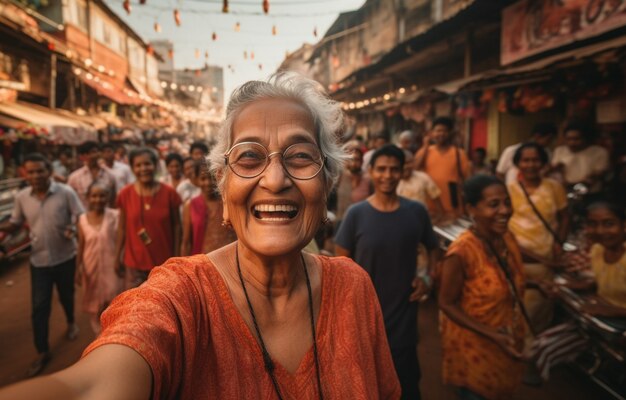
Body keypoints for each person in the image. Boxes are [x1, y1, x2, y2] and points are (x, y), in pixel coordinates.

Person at [0, 73, 401, 399]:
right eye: (249, 157)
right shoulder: (180, 298)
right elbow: (92, 385)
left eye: (300, 156)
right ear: (224, 191)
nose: (276, 179)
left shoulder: (354, 287)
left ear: (327, 182)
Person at [335, 144, 440, 399]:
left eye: (394, 169)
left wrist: (427, 277)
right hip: (364, 318)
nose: (388, 175)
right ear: (371, 171)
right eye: (381, 169)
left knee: (406, 385)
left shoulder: (416, 212)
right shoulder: (356, 214)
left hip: (404, 318)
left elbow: (434, 249)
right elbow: (341, 265)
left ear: (402, 171)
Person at [438, 175, 526, 399]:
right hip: (474, 351)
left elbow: (502, 277)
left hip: (506, 343)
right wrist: (492, 335)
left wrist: (537, 283)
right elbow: (446, 303)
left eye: (507, 202)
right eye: (494, 204)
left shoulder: (506, 238)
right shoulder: (461, 252)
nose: (505, 210)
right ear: (471, 209)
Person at [0, 153, 84, 377]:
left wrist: (74, 229)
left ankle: (71, 321)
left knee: (67, 295)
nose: (36, 176)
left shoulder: (65, 192)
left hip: (66, 256)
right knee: (39, 307)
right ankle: (42, 350)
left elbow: (79, 215)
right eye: (31, 172)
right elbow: (16, 223)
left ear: (49, 172)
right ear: (25, 175)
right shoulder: (22, 197)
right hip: (39, 261)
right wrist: (5, 228)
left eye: (40, 171)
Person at [507, 143, 569, 333]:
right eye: (526, 160)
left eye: (536, 160)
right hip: (516, 260)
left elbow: (565, 216)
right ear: (518, 163)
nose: (531, 165)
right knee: (514, 312)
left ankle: (535, 354)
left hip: (545, 263)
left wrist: (559, 243)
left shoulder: (554, 187)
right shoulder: (509, 190)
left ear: (543, 163)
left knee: (538, 315)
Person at [115, 147, 182, 289]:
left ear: (155, 165)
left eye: (147, 164)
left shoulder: (170, 194)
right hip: (134, 264)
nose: (143, 168)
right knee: (135, 305)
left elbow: (177, 227)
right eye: (138, 165)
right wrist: (117, 257)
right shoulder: (125, 194)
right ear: (132, 169)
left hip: (163, 263)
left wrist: (176, 257)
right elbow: (121, 227)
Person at [559, 203, 626, 317]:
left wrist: (613, 310)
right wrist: (590, 285)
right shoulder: (597, 250)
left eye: (609, 224)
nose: (600, 231)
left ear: (624, 225)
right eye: (592, 224)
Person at [76, 182, 122, 334]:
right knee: (95, 305)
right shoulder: (82, 219)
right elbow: (81, 246)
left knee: (115, 301)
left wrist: (119, 259)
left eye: (102, 195)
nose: (98, 199)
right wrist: (78, 268)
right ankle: (100, 337)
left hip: (112, 267)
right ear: (88, 198)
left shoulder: (115, 216)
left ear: (107, 197)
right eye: (94, 196)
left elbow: (122, 239)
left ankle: (115, 334)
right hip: (91, 268)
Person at [414, 116, 471, 218]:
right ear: (431, 133)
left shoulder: (459, 153)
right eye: (437, 131)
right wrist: (425, 146)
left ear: (450, 133)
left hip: (452, 207)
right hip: (428, 206)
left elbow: (468, 179)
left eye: (445, 131)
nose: (441, 134)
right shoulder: (425, 151)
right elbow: (414, 169)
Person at [181, 167, 236, 255]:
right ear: (196, 180)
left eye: (212, 178)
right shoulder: (190, 205)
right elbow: (186, 242)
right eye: (203, 179)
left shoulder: (228, 202)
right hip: (201, 260)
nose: (208, 183)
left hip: (228, 259)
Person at [550, 120, 609, 197]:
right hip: (564, 193)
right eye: (569, 139)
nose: (572, 143)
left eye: (576, 139)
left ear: (585, 138)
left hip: (591, 194)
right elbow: (555, 171)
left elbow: (598, 174)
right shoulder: (560, 151)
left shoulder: (599, 152)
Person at [397, 149, 444, 221]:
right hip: (399, 220)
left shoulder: (423, 177)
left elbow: (435, 196)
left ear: (413, 163)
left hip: (420, 219)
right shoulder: (392, 180)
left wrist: (440, 215)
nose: (405, 166)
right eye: (402, 163)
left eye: (408, 163)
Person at [68, 141, 116, 208]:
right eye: (92, 152)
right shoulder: (74, 177)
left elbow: (112, 200)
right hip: (84, 216)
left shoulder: (110, 175)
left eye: (96, 152)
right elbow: (70, 201)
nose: (95, 155)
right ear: (84, 156)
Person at [335, 144, 371, 223]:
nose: (353, 163)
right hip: (341, 220)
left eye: (357, 160)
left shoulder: (368, 179)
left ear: (362, 161)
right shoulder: (340, 176)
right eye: (351, 159)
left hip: (362, 222)